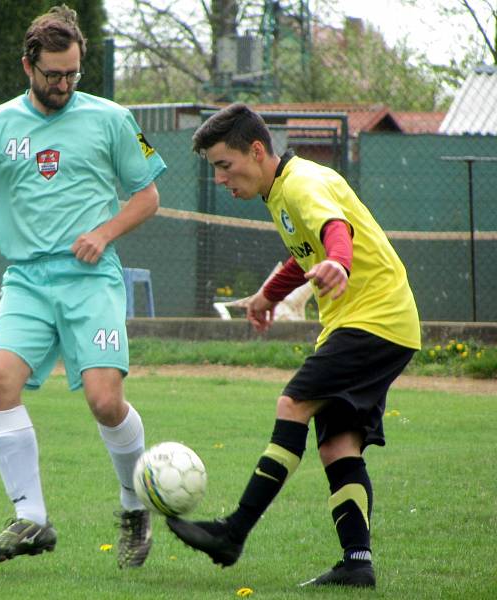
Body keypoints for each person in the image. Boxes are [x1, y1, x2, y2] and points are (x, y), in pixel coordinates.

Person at [0, 5, 166, 569]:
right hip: (26, 280)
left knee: (104, 402)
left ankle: (133, 505)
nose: (65, 85)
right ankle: (32, 520)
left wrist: (103, 232)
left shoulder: (112, 120)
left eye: (73, 73)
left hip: (91, 278)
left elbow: (147, 196)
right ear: (28, 65)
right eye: (53, 74)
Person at [166, 104, 420, 588]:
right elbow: (305, 252)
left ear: (257, 151)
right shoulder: (281, 190)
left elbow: (334, 233)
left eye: (224, 165)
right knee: (337, 444)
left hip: (373, 319)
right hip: (378, 323)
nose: (221, 179)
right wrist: (268, 295)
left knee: (293, 402)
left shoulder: (302, 183)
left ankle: (233, 532)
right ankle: (357, 563)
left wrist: (341, 265)